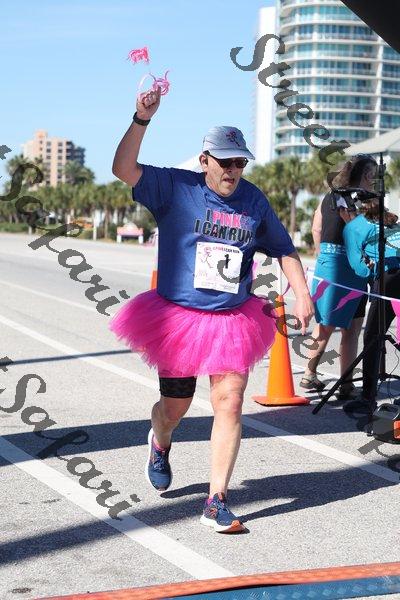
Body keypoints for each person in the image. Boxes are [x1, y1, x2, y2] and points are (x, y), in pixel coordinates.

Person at [110, 86, 314, 533]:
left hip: (232, 318)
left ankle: (216, 500)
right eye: (225, 161)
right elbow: (122, 169)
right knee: (175, 408)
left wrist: (302, 294)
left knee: (230, 402)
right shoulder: (175, 187)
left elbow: (284, 249)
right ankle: (160, 440)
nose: (233, 170)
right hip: (179, 319)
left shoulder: (254, 200)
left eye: (240, 162)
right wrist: (142, 118)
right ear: (205, 160)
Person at [300, 155, 377, 399]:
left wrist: (321, 253)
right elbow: (364, 233)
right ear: (366, 175)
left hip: (327, 262)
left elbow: (316, 227)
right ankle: (346, 384)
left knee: (325, 324)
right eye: (373, 176)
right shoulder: (362, 199)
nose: (374, 182)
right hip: (351, 264)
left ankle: (309, 374)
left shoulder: (330, 195)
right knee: (352, 328)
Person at [343, 198, 400, 406]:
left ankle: (367, 396)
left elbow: (359, 268)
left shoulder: (353, 227)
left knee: (373, 336)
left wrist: (370, 268)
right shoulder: (393, 221)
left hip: (389, 278)